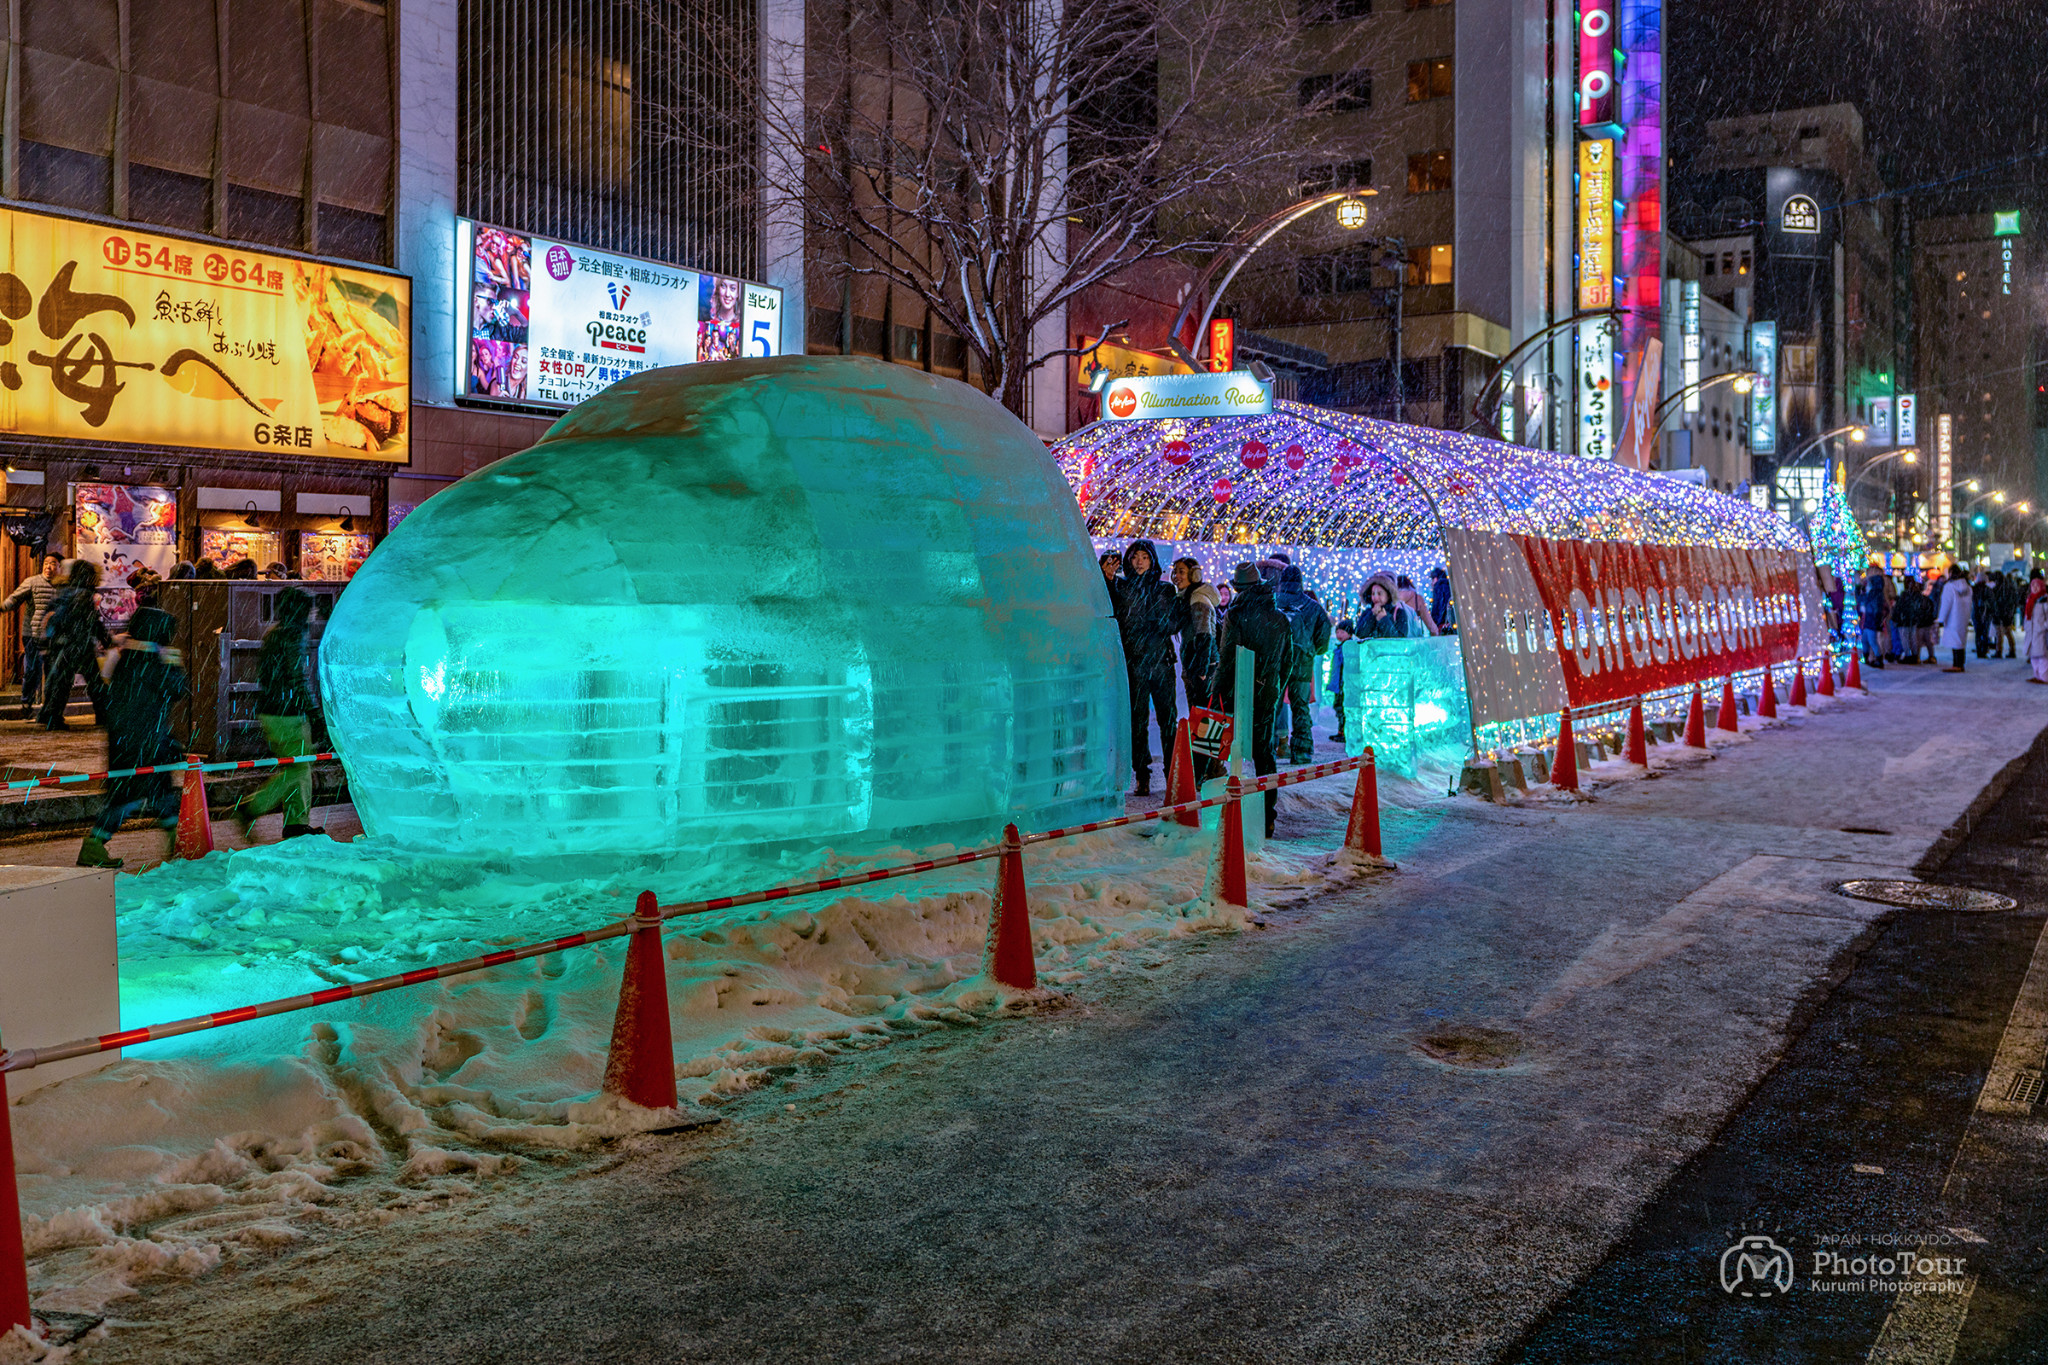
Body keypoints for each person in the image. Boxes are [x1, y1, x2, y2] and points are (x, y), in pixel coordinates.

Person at [76, 606, 188, 868]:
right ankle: (95, 843)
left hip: (128, 740)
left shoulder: (126, 658)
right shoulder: (153, 661)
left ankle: (177, 844)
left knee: (142, 794)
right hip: (146, 741)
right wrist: (173, 663)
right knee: (141, 795)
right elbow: (178, 689)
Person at [228, 588, 325, 840]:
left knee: (300, 767)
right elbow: (297, 678)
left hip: (272, 710)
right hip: (288, 714)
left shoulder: (276, 633)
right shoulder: (292, 635)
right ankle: (252, 807)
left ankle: (296, 824)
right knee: (297, 768)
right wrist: (314, 713)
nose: (311, 614)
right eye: (308, 609)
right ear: (298, 611)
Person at [1214, 562, 1296, 839]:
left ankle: (1227, 813)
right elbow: (1288, 661)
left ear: (1237, 588)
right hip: (1266, 692)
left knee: (1228, 749)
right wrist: (1274, 685)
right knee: (1264, 753)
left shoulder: (1236, 615)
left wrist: (1217, 692)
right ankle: (1267, 817)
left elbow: (1227, 659)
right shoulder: (1280, 618)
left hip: (1239, 690)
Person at [1115, 539, 1185, 796]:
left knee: (1168, 719)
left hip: (1161, 663)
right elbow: (1120, 623)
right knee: (1137, 720)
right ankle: (1141, 773)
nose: (1140, 562)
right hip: (1134, 663)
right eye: (1135, 557)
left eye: (1144, 557)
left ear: (1152, 560)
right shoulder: (1122, 588)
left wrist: (1154, 617)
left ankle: (1172, 772)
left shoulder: (1164, 590)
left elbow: (1172, 624)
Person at [37, 560, 111, 729]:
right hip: (78, 644)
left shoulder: (62, 591)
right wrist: (105, 639)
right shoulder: (83, 594)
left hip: (59, 643)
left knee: (60, 682)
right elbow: (91, 621)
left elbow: (49, 615)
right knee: (95, 683)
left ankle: (50, 717)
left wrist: (47, 642)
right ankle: (103, 715)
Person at [1274, 565, 1332, 764]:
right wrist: (1313, 650)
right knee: (1300, 707)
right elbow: (1324, 634)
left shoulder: (1273, 602)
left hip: (1276, 662)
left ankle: (1269, 746)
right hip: (1302, 662)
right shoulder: (1313, 606)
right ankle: (1302, 750)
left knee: (1272, 705)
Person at [2, 552, 62, 717]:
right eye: (46, 563)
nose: (48, 567)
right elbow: (15, 597)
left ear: (59, 567)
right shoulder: (32, 582)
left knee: (52, 672)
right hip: (33, 634)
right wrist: (3, 607)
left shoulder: (62, 586)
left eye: (53, 563)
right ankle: (26, 701)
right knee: (32, 669)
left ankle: (49, 707)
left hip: (53, 637)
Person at [1171, 557, 1220, 711]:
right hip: (1194, 664)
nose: (1177, 576)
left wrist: (1201, 671)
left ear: (1194, 575)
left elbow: (1205, 636)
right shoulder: (1187, 598)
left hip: (1201, 667)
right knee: (1197, 713)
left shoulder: (1198, 599)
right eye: (1175, 572)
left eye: (1182, 572)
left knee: (1202, 714)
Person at [1937, 564, 1973, 672]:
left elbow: (1946, 604)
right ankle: (1960, 663)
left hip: (1953, 617)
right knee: (1961, 640)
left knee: (1954, 641)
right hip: (1963, 616)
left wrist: (1941, 619)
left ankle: (1956, 664)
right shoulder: (1968, 588)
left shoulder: (1949, 587)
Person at [1359, 573, 1412, 639]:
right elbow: (1359, 635)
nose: (1375, 597)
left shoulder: (1399, 613)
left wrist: (1383, 619)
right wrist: (1371, 616)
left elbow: (1399, 639)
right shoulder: (1367, 613)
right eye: (1373, 594)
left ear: (1389, 595)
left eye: (1379, 593)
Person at [1327, 619, 1354, 742]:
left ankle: (1344, 732)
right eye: (1337, 632)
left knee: (1343, 708)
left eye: (1342, 632)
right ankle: (1341, 731)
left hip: (1343, 685)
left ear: (1349, 634)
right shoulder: (1339, 648)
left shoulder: (1349, 649)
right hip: (1338, 685)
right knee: (1338, 707)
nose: (1339, 635)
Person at [1856, 566, 1887, 669]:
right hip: (1868, 621)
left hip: (1871, 621)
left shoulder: (1875, 594)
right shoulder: (1874, 594)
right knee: (1865, 640)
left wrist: (1858, 588)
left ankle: (1878, 659)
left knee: (1872, 641)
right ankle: (1867, 658)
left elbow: (1863, 600)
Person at [1994, 569, 2022, 659]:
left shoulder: (1999, 588)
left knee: (1999, 632)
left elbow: (1998, 601)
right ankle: (2012, 650)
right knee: (2008, 631)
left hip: (2001, 612)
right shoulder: (2009, 586)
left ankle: (1999, 651)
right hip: (2008, 612)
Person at [2027, 584, 2048, 684]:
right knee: (2034, 655)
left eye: (2037, 586)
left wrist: (2043, 626)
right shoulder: (2031, 599)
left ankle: (2044, 677)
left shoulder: (2044, 600)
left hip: (2041, 632)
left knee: (2042, 655)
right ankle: (2037, 675)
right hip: (2032, 632)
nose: (2035, 588)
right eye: (2033, 585)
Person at [1428, 567, 1453, 633]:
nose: (1431, 583)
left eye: (1432, 580)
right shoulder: (1449, 586)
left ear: (1435, 578)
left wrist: (1436, 622)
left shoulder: (1438, 587)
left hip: (1442, 624)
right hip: (1450, 623)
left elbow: (1437, 607)